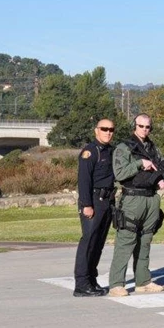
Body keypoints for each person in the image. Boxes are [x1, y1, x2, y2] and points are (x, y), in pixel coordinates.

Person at [108, 115, 164, 297]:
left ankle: (143, 281)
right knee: (126, 241)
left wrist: (161, 179)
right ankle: (116, 283)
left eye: (148, 127)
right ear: (134, 126)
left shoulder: (152, 148)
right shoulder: (124, 147)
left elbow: (162, 166)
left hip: (151, 198)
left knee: (145, 241)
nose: (144, 129)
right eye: (141, 126)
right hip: (132, 198)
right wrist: (139, 163)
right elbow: (119, 173)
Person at [73, 119, 116, 297]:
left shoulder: (110, 151)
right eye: (104, 129)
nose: (108, 132)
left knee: (98, 244)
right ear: (96, 131)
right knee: (89, 242)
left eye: (111, 129)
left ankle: (91, 280)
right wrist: (87, 205)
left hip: (107, 200)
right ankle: (81, 284)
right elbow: (84, 181)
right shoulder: (90, 152)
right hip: (93, 200)